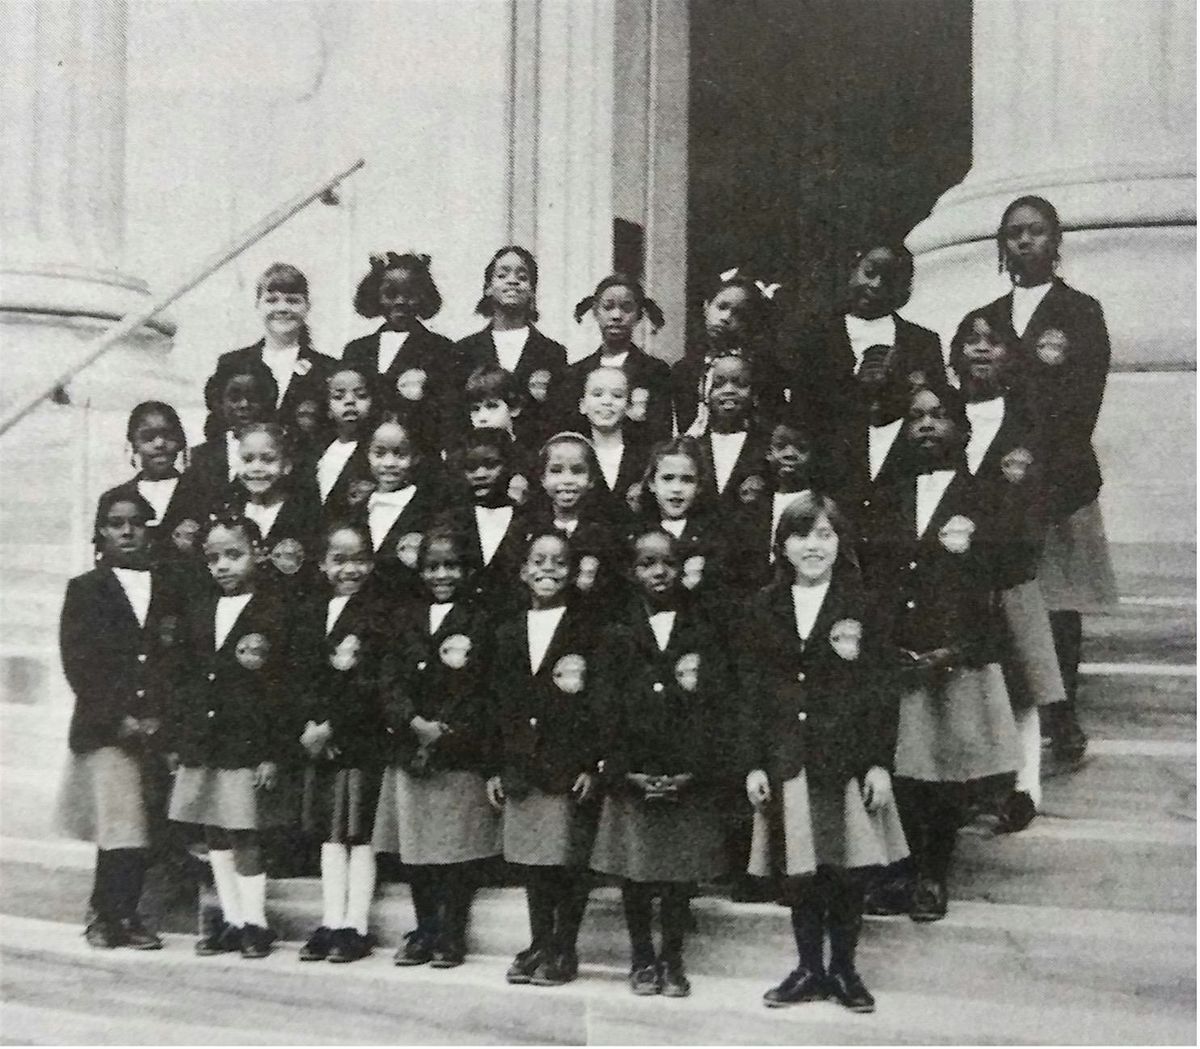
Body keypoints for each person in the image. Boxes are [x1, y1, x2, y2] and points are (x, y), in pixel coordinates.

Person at [738, 494, 907, 1013]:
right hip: (788, 758)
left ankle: (845, 970)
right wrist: (752, 762)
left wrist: (878, 762)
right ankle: (808, 966)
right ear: (782, 545)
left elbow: (881, 690)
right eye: (801, 535)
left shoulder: (866, 604)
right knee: (802, 871)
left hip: (846, 760)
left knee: (846, 869)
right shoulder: (761, 607)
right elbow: (750, 690)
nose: (813, 546)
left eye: (826, 535)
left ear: (841, 543)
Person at [865, 386, 1021, 923]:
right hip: (900, 654)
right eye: (916, 417)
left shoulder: (986, 497)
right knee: (905, 769)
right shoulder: (888, 494)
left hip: (954, 657)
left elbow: (998, 583)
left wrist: (953, 650)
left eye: (939, 416)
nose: (927, 425)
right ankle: (900, 869)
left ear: (963, 428)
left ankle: (934, 872)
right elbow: (876, 577)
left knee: (946, 771)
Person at [975, 195, 1118, 766]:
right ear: (1002, 244)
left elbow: (1084, 401)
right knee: (1003, 594)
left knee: (1058, 601)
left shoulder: (1080, 312)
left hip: (1058, 480)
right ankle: (1009, 713)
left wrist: (1043, 474)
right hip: (996, 481)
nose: (1024, 242)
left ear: (1056, 242)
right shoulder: (984, 317)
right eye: (1014, 233)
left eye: (1036, 232)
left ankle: (1062, 713)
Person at [591, 529, 730, 998]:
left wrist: (693, 771)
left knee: (675, 875)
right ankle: (641, 958)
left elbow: (714, 706)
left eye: (667, 563)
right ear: (632, 571)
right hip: (634, 773)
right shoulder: (614, 631)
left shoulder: (704, 628)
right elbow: (604, 707)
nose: (658, 572)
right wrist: (625, 772)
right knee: (636, 873)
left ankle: (672, 957)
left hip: (684, 774)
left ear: (682, 568)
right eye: (647, 563)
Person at [951, 309, 1065, 833]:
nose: (980, 349)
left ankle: (1025, 784)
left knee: (1017, 676)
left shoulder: (1028, 417)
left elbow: (1052, 488)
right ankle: (973, 779)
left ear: (1011, 356)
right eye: (969, 341)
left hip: (1008, 566)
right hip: (954, 569)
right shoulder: (944, 414)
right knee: (968, 673)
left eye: (992, 341)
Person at [164, 514, 296, 959]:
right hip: (205, 742)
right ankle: (231, 919)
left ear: (259, 555)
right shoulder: (200, 609)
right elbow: (184, 680)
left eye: (234, 555)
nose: (222, 566)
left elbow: (282, 690)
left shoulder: (275, 611)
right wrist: (180, 740)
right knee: (213, 831)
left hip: (246, 746)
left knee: (245, 833)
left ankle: (256, 922)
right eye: (213, 558)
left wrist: (273, 752)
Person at [56, 491, 180, 950]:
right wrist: (119, 718)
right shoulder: (86, 589)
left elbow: (178, 658)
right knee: (121, 825)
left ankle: (121, 911)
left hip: (157, 727)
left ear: (151, 529)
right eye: (115, 523)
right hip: (110, 729)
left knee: (148, 822)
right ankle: (110, 914)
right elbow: (80, 664)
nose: (127, 532)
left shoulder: (170, 586)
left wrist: (161, 719)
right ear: (100, 532)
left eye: (136, 522)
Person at [374, 528, 501, 969]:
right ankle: (425, 927)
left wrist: (446, 732)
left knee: (456, 849)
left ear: (466, 569)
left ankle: (452, 932)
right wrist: (413, 723)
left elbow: (483, 687)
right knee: (420, 849)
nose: (441, 574)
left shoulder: (481, 620)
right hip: (411, 749)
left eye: (451, 566)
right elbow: (388, 679)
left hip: (458, 752)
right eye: (432, 566)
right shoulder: (404, 617)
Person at [486, 532, 599, 987]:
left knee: (566, 860)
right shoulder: (507, 631)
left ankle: (564, 946)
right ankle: (538, 941)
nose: (547, 569)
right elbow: (496, 703)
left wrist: (592, 763)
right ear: (523, 571)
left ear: (572, 574)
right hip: (521, 765)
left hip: (566, 766)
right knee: (534, 862)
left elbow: (599, 704)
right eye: (538, 561)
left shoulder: (588, 630)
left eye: (558, 562)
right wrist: (495, 766)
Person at [292, 523, 389, 964]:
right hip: (321, 744)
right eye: (338, 559)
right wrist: (310, 725)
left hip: (360, 740)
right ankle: (331, 920)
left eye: (358, 560)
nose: (348, 569)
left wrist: (333, 726)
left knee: (359, 833)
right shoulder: (313, 611)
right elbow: (301, 676)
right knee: (331, 837)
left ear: (370, 564)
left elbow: (374, 684)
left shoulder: (378, 614)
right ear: (322, 564)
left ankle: (356, 924)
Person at [790, 239, 945, 487]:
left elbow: (936, 411)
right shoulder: (815, 338)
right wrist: (856, 386)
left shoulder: (922, 342)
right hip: (832, 472)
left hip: (900, 474)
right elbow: (803, 412)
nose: (876, 285)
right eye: (870, 273)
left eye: (889, 279)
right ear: (854, 267)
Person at [342, 252, 455, 460]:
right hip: (363, 455)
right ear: (376, 296)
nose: (401, 301)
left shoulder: (440, 348)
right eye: (391, 294)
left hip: (417, 454)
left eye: (410, 294)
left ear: (423, 296)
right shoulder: (357, 350)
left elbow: (445, 414)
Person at [455, 246, 568, 447]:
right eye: (502, 275)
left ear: (532, 290)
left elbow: (554, 418)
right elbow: (456, 416)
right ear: (488, 287)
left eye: (522, 277)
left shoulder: (552, 352)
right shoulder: (465, 349)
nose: (512, 281)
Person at [212, 263, 335, 432]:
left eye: (293, 301)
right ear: (258, 305)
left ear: (307, 306)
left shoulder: (328, 368)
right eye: (272, 300)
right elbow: (216, 426)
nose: (282, 308)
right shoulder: (232, 363)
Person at [172, 361, 278, 556]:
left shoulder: (283, 455)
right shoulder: (200, 457)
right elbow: (184, 513)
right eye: (235, 397)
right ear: (219, 401)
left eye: (252, 397)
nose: (244, 405)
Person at [671, 269, 786, 435]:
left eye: (738, 313)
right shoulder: (685, 369)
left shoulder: (761, 369)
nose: (726, 317)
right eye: (722, 307)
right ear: (706, 306)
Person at [562, 274, 672, 444]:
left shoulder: (655, 371)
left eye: (626, 308)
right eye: (608, 307)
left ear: (639, 315)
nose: (616, 315)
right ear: (596, 312)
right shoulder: (575, 373)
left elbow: (660, 434)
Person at [223, 423, 322, 595]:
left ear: (286, 465)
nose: (256, 468)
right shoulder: (229, 512)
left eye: (268, 459)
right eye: (247, 459)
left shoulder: (303, 514)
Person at [438, 428, 529, 613]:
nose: (480, 474)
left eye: (491, 465)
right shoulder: (452, 520)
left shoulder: (526, 519)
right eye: (470, 467)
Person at [351, 415, 441, 602]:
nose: (389, 463)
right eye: (379, 453)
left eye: (400, 454)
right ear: (367, 455)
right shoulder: (358, 511)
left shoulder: (428, 508)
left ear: (415, 457)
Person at [724, 421, 818, 596]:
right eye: (781, 446)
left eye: (801, 448)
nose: (790, 454)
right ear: (768, 453)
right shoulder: (754, 507)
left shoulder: (821, 508)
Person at [97, 402, 191, 563]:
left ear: (181, 441)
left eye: (168, 436)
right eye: (148, 437)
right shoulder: (115, 498)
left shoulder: (200, 491)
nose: (160, 444)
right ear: (134, 444)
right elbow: (103, 558)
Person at [683, 353, 770, 510]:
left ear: (754, 394)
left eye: (740, 383)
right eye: (718, 384)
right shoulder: (691, 447)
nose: (728, 390)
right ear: (706, 394)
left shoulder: (766, 446)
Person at [576, 365, 649, 522]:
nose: (607, 401)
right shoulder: (574, 453)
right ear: (582, 405)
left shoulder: (645, 456)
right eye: (597, 394)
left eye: (617, 395)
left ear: (628, 407)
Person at [305, 366, 378, 514]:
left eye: (361, 395)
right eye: (338, 397)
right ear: (328, 410)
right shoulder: (317, 450)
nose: (350, 401)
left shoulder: (376, 450)